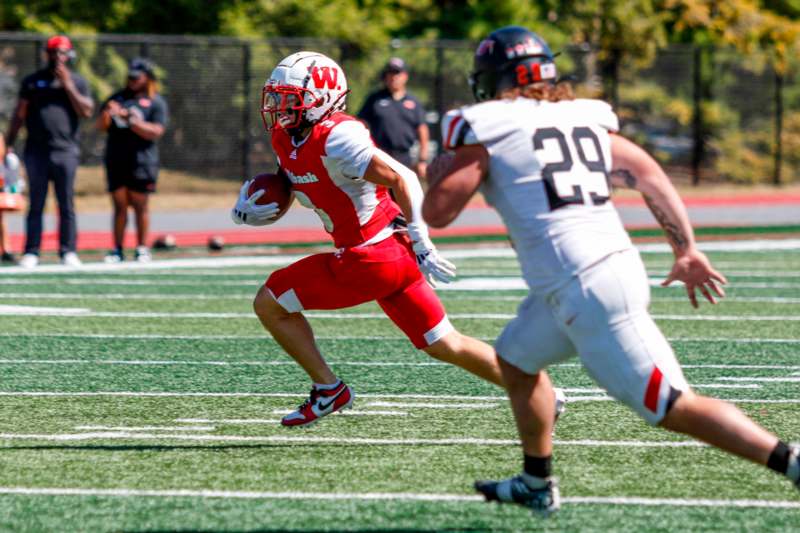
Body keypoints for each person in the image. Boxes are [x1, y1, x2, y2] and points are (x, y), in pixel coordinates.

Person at [423, 26, 800, 517]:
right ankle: (537, 481)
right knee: (516, 360)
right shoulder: (583, 117)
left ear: (494, 78)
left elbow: (439, 212)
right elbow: (647, 173)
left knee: (671, 405)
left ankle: (791, 463)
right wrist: (685, 249)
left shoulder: (486, 126)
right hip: (581, 280)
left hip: (584, 287)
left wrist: (437, 174)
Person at [231, 51, 565, 428]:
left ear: (321, 96)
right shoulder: (285, 137)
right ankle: (539, 390)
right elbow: (297, 177)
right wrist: (261, 205)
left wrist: (423, 240)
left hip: (369, 257)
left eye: (290, 97)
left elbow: (402, 177)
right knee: (444, 343)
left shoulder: (338, 136)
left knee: (269, 301)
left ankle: (329, 389)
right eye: (277, 96)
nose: (279, 106)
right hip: (391, 256)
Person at [5, 35, 93, 268]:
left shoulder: (78, 81)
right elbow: (19, 114)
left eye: (62, 52)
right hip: (37, 151)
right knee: (36, 202)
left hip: (66, 151)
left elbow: (86, 111)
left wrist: (68, 85)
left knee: (66, 203)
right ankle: (32, 251)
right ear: (47, 54)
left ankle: (68, 250)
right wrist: (8, 143)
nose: (57, 57)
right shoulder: (33, 82)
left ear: (70, 54)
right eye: (54, 52)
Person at [96, 58, 168, 263]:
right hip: (117, 158)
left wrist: (130, 120)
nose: (132, 80)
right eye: (130, 77)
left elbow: (155, 131)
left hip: (142, 160)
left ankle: (142, 248)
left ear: (147, 78)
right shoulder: (117, 98)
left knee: (140, 205)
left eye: (137, 77)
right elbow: (101, 127)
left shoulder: (156, 101)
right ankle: (117, 248)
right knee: (119, 206)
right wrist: (108, 114)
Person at [357, 57, 429, 179]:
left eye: (397, 73)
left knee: (403, 193)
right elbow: (360, 124)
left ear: (405, 76)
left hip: (404, 158)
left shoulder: (413, 102)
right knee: (381, 194)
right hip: (379, 156)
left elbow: (422, 130)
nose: (393, 77)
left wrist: (422, 160)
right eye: (390, 73)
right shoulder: (374, 99)